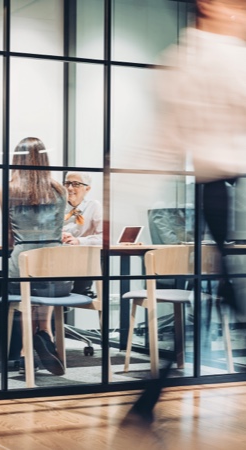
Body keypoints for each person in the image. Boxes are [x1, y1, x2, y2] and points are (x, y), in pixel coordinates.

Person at [126, 0, 246, 425]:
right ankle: (148, 400)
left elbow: (163, 140)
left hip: (217, 189)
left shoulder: (187, 58)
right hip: (221, 187)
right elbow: (166, 138)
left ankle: (148, 401)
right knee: (227, 299)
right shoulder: (217, 57)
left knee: (224, 300)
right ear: (209, 7)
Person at [1, 137, 72, 376]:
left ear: (16, 160)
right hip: (59, 275)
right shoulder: (59, 189)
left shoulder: (8, 188)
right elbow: (57, 230)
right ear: (45, 159)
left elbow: (9, 235)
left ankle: (25, 351)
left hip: (24, 268)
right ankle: (45, 334)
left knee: (27, 286)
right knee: (44, 281)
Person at [62, 171, 103, 295]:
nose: (69, 188)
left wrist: (79, 241)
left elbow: (104, 238)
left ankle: (80, 291)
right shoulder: (57, 206)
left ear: (87, 188)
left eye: (76, 184)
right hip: (58, 261)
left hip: (82, 264)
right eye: (67, 184)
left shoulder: (94, 206)